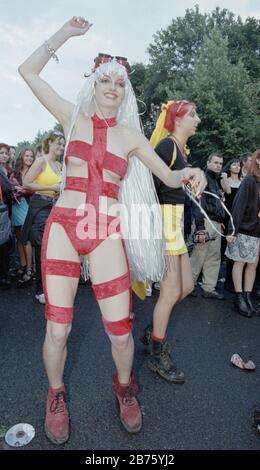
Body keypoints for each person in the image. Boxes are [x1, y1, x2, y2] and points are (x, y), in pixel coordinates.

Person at [18, 16, 206, 443]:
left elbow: (170, 178)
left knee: (120, 332)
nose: (113, 88)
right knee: (58, 328)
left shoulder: (131, 136)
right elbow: (27, 72)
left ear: (125, 92)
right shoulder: (71, 117)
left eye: (120, 84)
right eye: (106, 80)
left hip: (105, 230)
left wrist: (190, 171)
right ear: (94, 83)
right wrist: (64, 34)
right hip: (64, 227)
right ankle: (56, 395)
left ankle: (125, 388)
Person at [141, 100, 201, 383]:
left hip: (176, 222)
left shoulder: (181, 151)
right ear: (176, 119)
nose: (197, 119)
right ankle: (157, 353)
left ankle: (154, 329)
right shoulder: (166, 146)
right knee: (169, 291)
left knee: (186, 287)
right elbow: (148, 189)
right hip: (164, 223)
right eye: (193, 115)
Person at [22, 133, 64, 303]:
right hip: (40, 207)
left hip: (54, 207)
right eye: (58, 144)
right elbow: (26, 183)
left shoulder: (59, 165)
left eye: (63, 145)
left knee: (52, 250)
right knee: (41, 250)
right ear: (49, 143)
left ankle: (50, 287)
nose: (61, 147)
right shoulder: (41, 161)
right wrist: (51, 186)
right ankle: (40, 291)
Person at [226, 150, 260, 317]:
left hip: (258, 232)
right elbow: (238, 206)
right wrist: (233, 230)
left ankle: (247, 297)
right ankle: (239, 298)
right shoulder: (249, 181)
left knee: (252, 264)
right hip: (244, 229)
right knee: (240, 262)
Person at [190, 154, 226, 300]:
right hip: (204, 222)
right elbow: (197, 203)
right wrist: (200, 228)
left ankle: (209, 288)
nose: (218, 165)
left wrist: (220, 221)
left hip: (215, 224)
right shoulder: (203, 178)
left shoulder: (215, 181)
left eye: (221, 163)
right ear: (208, 162)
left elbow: (217, 203)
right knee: (198, 256)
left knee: (214, 258)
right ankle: (188, 286)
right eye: (216, 162)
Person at [9, 148, 35, 285]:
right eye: (27, 155)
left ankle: (30, 270)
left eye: (31, 156)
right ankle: (23, 265)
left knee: (26, 239)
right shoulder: (15, 172)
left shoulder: (35, 172)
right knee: (19, 237)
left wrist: (23, 190)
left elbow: (36, 189)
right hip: (16, 205)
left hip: (27, 205)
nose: (29, 158)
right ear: (22, 157)